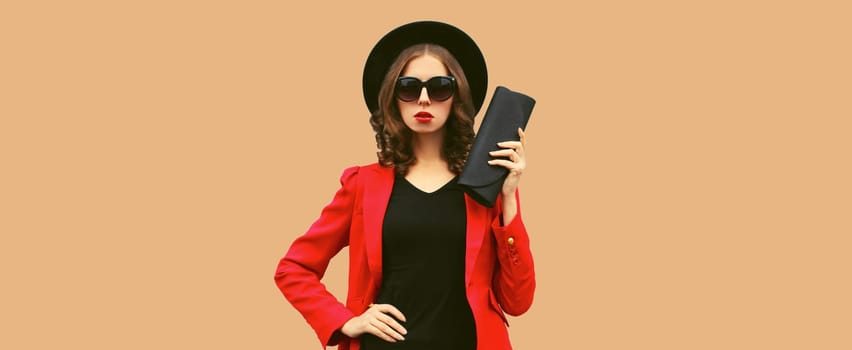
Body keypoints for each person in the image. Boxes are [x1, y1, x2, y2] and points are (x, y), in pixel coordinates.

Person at [274, 21, 535, 350]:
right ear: (393, 98)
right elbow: (293, 268)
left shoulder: (486, 185)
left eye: (440, 87)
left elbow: (518, 301)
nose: (424, 99)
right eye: (409, 87)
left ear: (457, 98)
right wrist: (345, 320)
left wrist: (508, 196)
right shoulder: (362, 184)